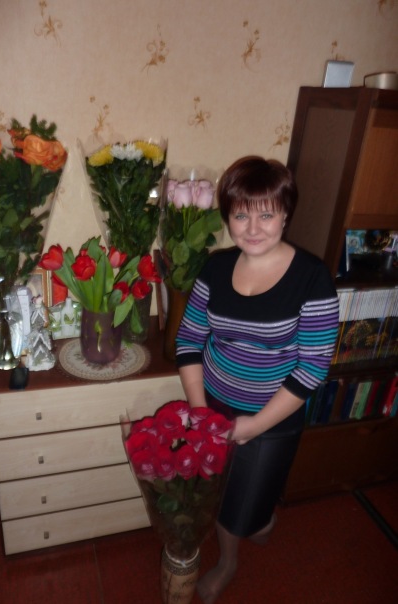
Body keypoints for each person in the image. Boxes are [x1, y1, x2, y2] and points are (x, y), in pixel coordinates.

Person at [175, 156, 339, 603]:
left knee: (244, 505)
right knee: (221, 490)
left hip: (273, 417)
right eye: (240, 215)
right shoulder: (215, 268)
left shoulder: (312, 278)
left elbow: (312, 368)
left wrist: (254, 425)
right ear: (227, 217)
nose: (252, 228)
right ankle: (237, 547)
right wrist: (200, 411)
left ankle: (245, 537)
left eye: (266, 215)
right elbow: (189, 339)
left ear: (286, 214)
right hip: (213, 403)